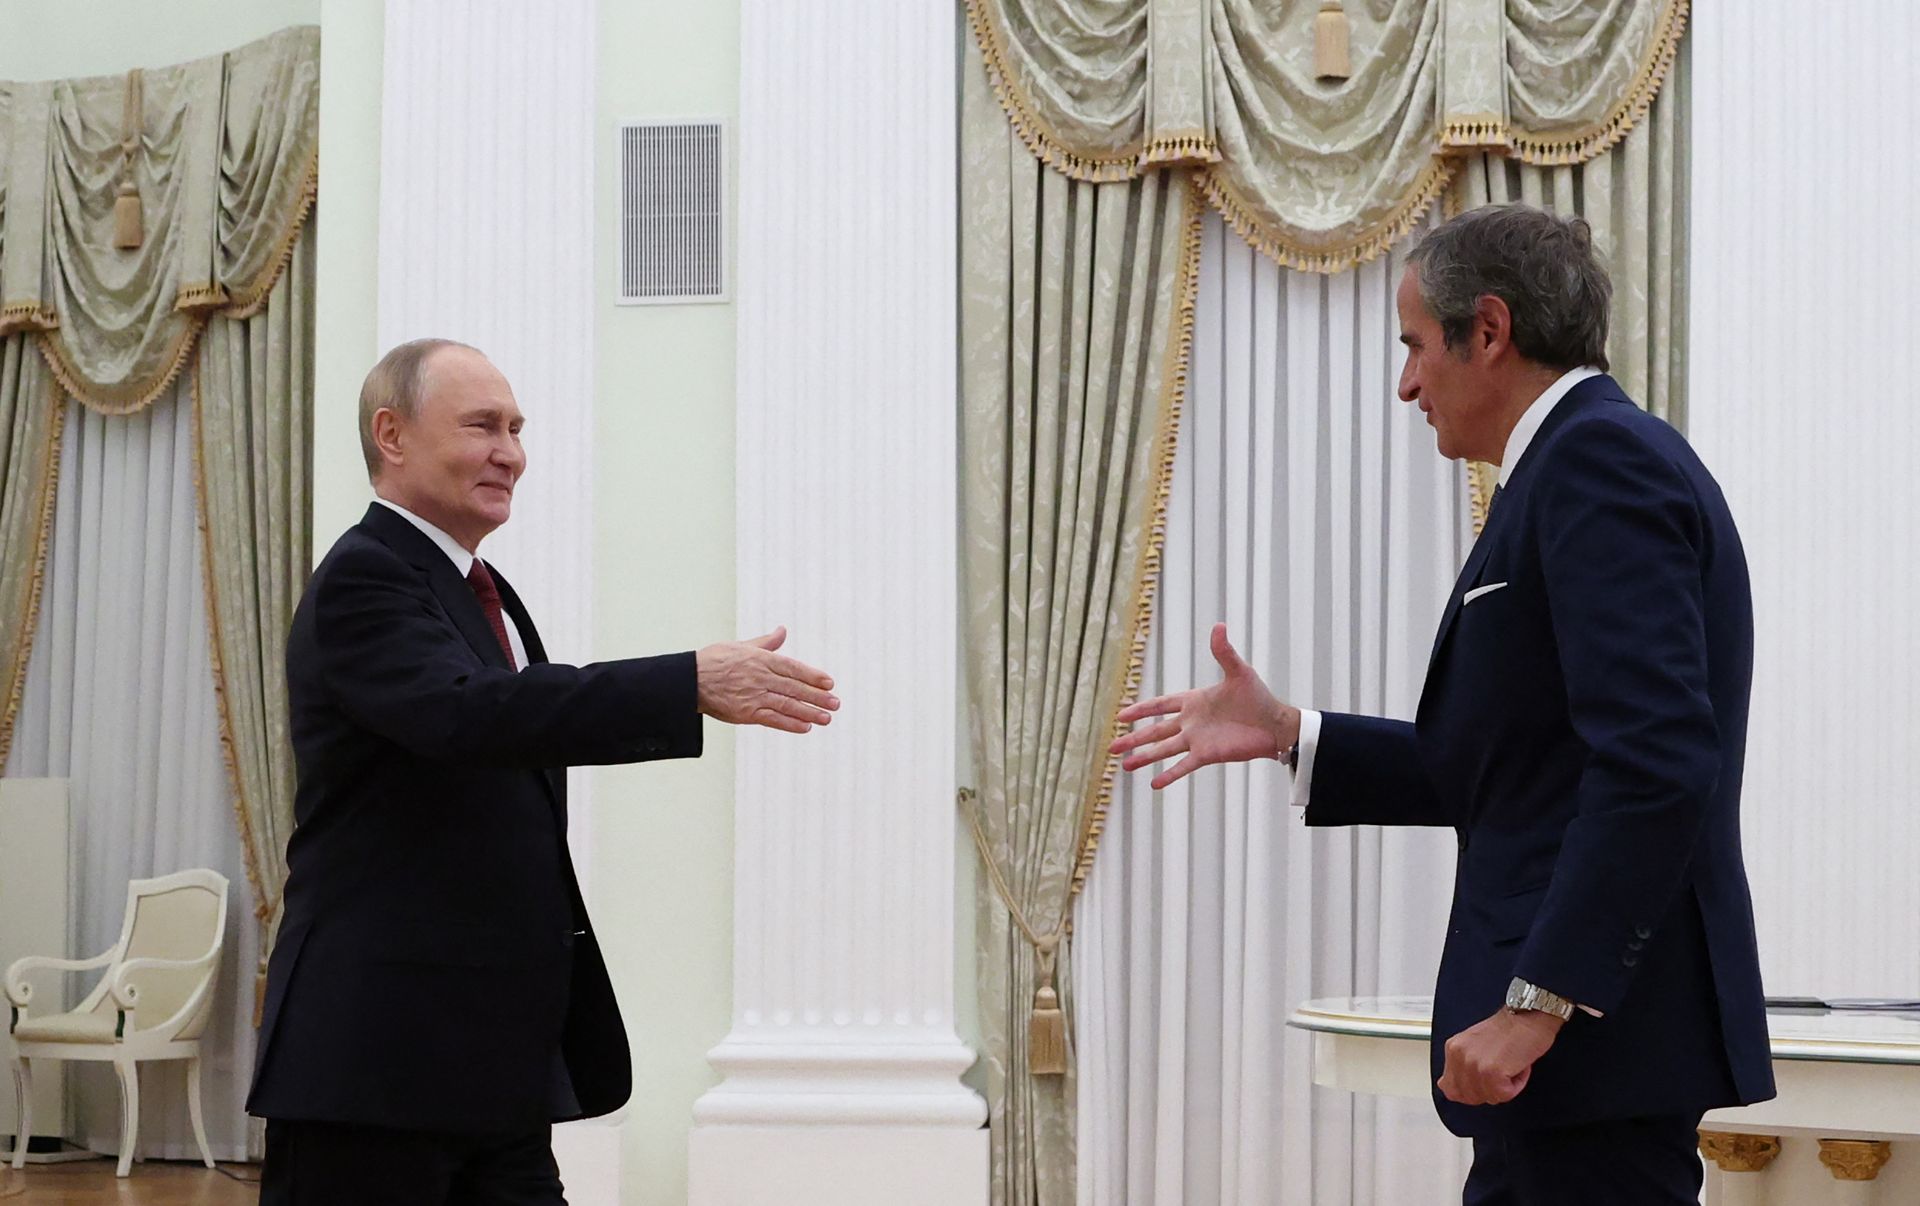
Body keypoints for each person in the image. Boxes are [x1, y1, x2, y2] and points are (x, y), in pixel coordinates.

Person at [1113, 206, 1773, 1204]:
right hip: (1577, 1068)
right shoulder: (1572, 467)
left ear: (1491, 331)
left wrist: (1540, 1003)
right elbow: (1525, 765)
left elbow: (1655, 762)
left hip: (1591, 1050)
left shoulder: (1599, 465)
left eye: (1418, 346)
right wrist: (1295, 736)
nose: (1408, 382)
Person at [247, 339, 839, 1204]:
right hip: (378, 1063)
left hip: (488, 1063)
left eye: (517, 429)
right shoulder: (364, 578)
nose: (511, 452)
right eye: (482, 426)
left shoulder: (478, 586)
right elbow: (467, 715)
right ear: (393, 435)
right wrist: (687, 683)